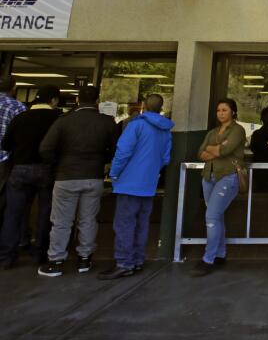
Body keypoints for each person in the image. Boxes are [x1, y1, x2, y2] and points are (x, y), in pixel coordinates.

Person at [38, 86, 119, 277]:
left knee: (61, 221)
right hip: (94, 176)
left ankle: (56, 261)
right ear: (97, 101)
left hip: (66, 176)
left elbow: (45, 148)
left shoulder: (64, 121)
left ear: (77, 100)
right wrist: (102, 160)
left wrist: (58, 163)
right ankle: (85, 259)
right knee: (88, 219)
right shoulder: (107, 122)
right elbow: (116, 149)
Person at [99, 94, 173, 280]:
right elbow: (165, 158)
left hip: (129, 183)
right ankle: (138, 260)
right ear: (160, 107)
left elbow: (123, 151)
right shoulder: (165, 130)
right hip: (149, 184)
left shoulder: (136, 125)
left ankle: (124, 263)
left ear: (144, 106)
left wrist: (114, 173)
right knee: (141, 223)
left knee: (124, 224)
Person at [0, 86, 61, 268]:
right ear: (54, 100)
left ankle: (6, 256)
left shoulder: (20, 117)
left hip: (20, 169)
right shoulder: (57, 119)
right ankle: (39, 253)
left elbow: (6, 144)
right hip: (46, 169)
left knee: (13, 213)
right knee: (45, 213)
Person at [192, 98, 246, 277]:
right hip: (208, 176)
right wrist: (215, 148)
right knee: (217, 216)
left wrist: (214, 149)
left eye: (224, 110)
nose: (221, 113)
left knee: (212, 216)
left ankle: (208, 258)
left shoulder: (238, 130)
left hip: (228, 176)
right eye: (218, 110)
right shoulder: (213, 132)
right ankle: (220, 254)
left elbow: (225, 150)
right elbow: (200, 152)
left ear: (233, 112)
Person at [0, 76, 26, 233]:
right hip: (4, 158)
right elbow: (24, 134)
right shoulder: (18, 107)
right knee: (4, 198)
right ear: (13, 89)